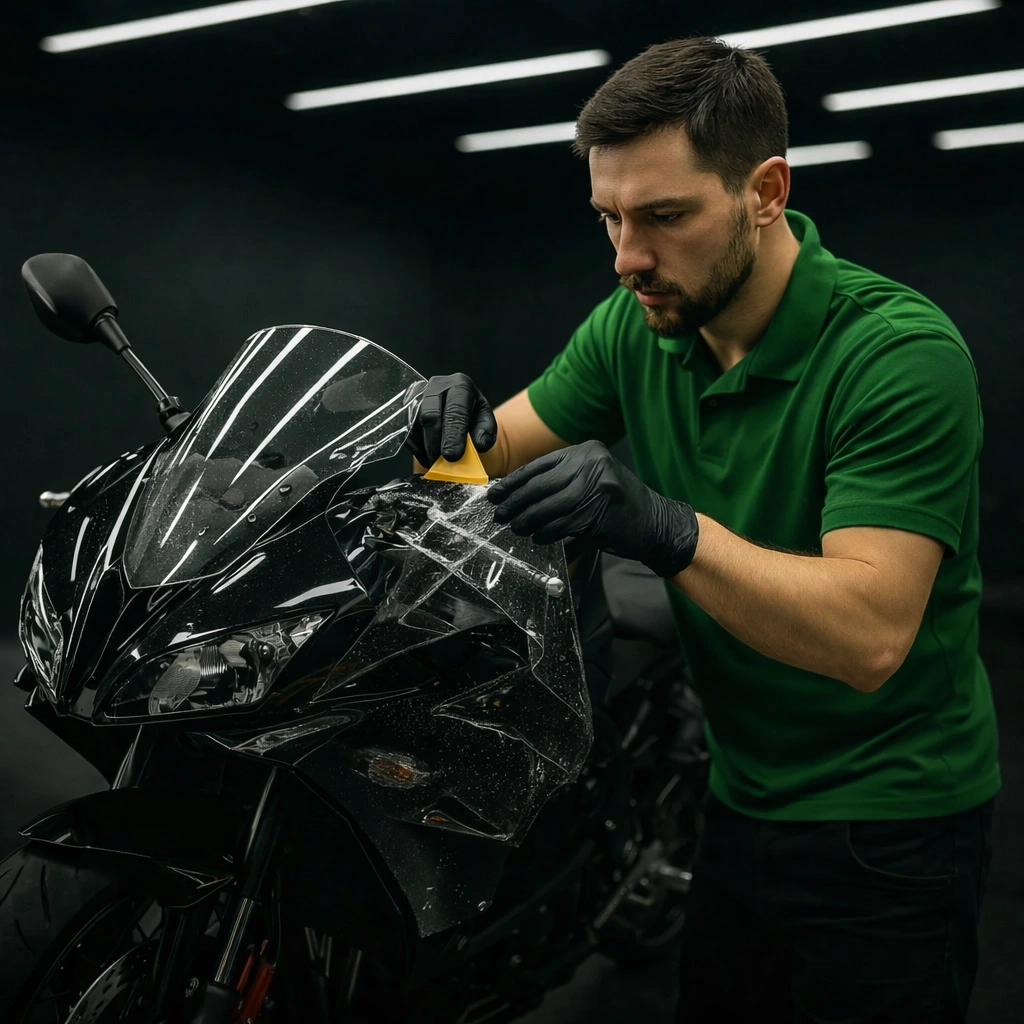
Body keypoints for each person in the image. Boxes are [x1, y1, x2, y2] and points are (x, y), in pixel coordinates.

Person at [405, 37, 998, 1024]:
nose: (627, 257)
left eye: (665, 216)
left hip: (890, 817)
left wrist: (667, 529)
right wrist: (442, 430)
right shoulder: (637, 324)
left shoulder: (896, 356)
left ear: (765, 192)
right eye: (609, 217)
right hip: (740, 790)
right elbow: (486, 459)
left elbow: (868, 637)